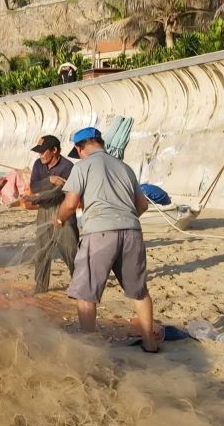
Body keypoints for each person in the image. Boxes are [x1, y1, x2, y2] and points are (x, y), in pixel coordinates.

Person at [54, 127, 157, 352]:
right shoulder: (125, 167)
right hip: (132, 231)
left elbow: (70, 204)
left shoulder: (82, 166)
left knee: (86, 293)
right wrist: (123, 219)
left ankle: (90, 347)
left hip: (99, 233)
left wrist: (59, 219)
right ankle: (150, 343)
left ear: (79, 148)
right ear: (101, 143)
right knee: (139, 291)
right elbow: (142, 205)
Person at [23, 135, 78, 294]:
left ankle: (79, 286)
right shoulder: (38, 164)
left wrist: (35, 198)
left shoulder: (68, 167)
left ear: (54, 150)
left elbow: (58, 192)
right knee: (42, 250)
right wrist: (50, 180)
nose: (40, 156)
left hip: (63, 209)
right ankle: (40, 286)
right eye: (39, 152)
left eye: (43, 152)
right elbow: (34, 186)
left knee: (70, 250)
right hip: (44, 210)